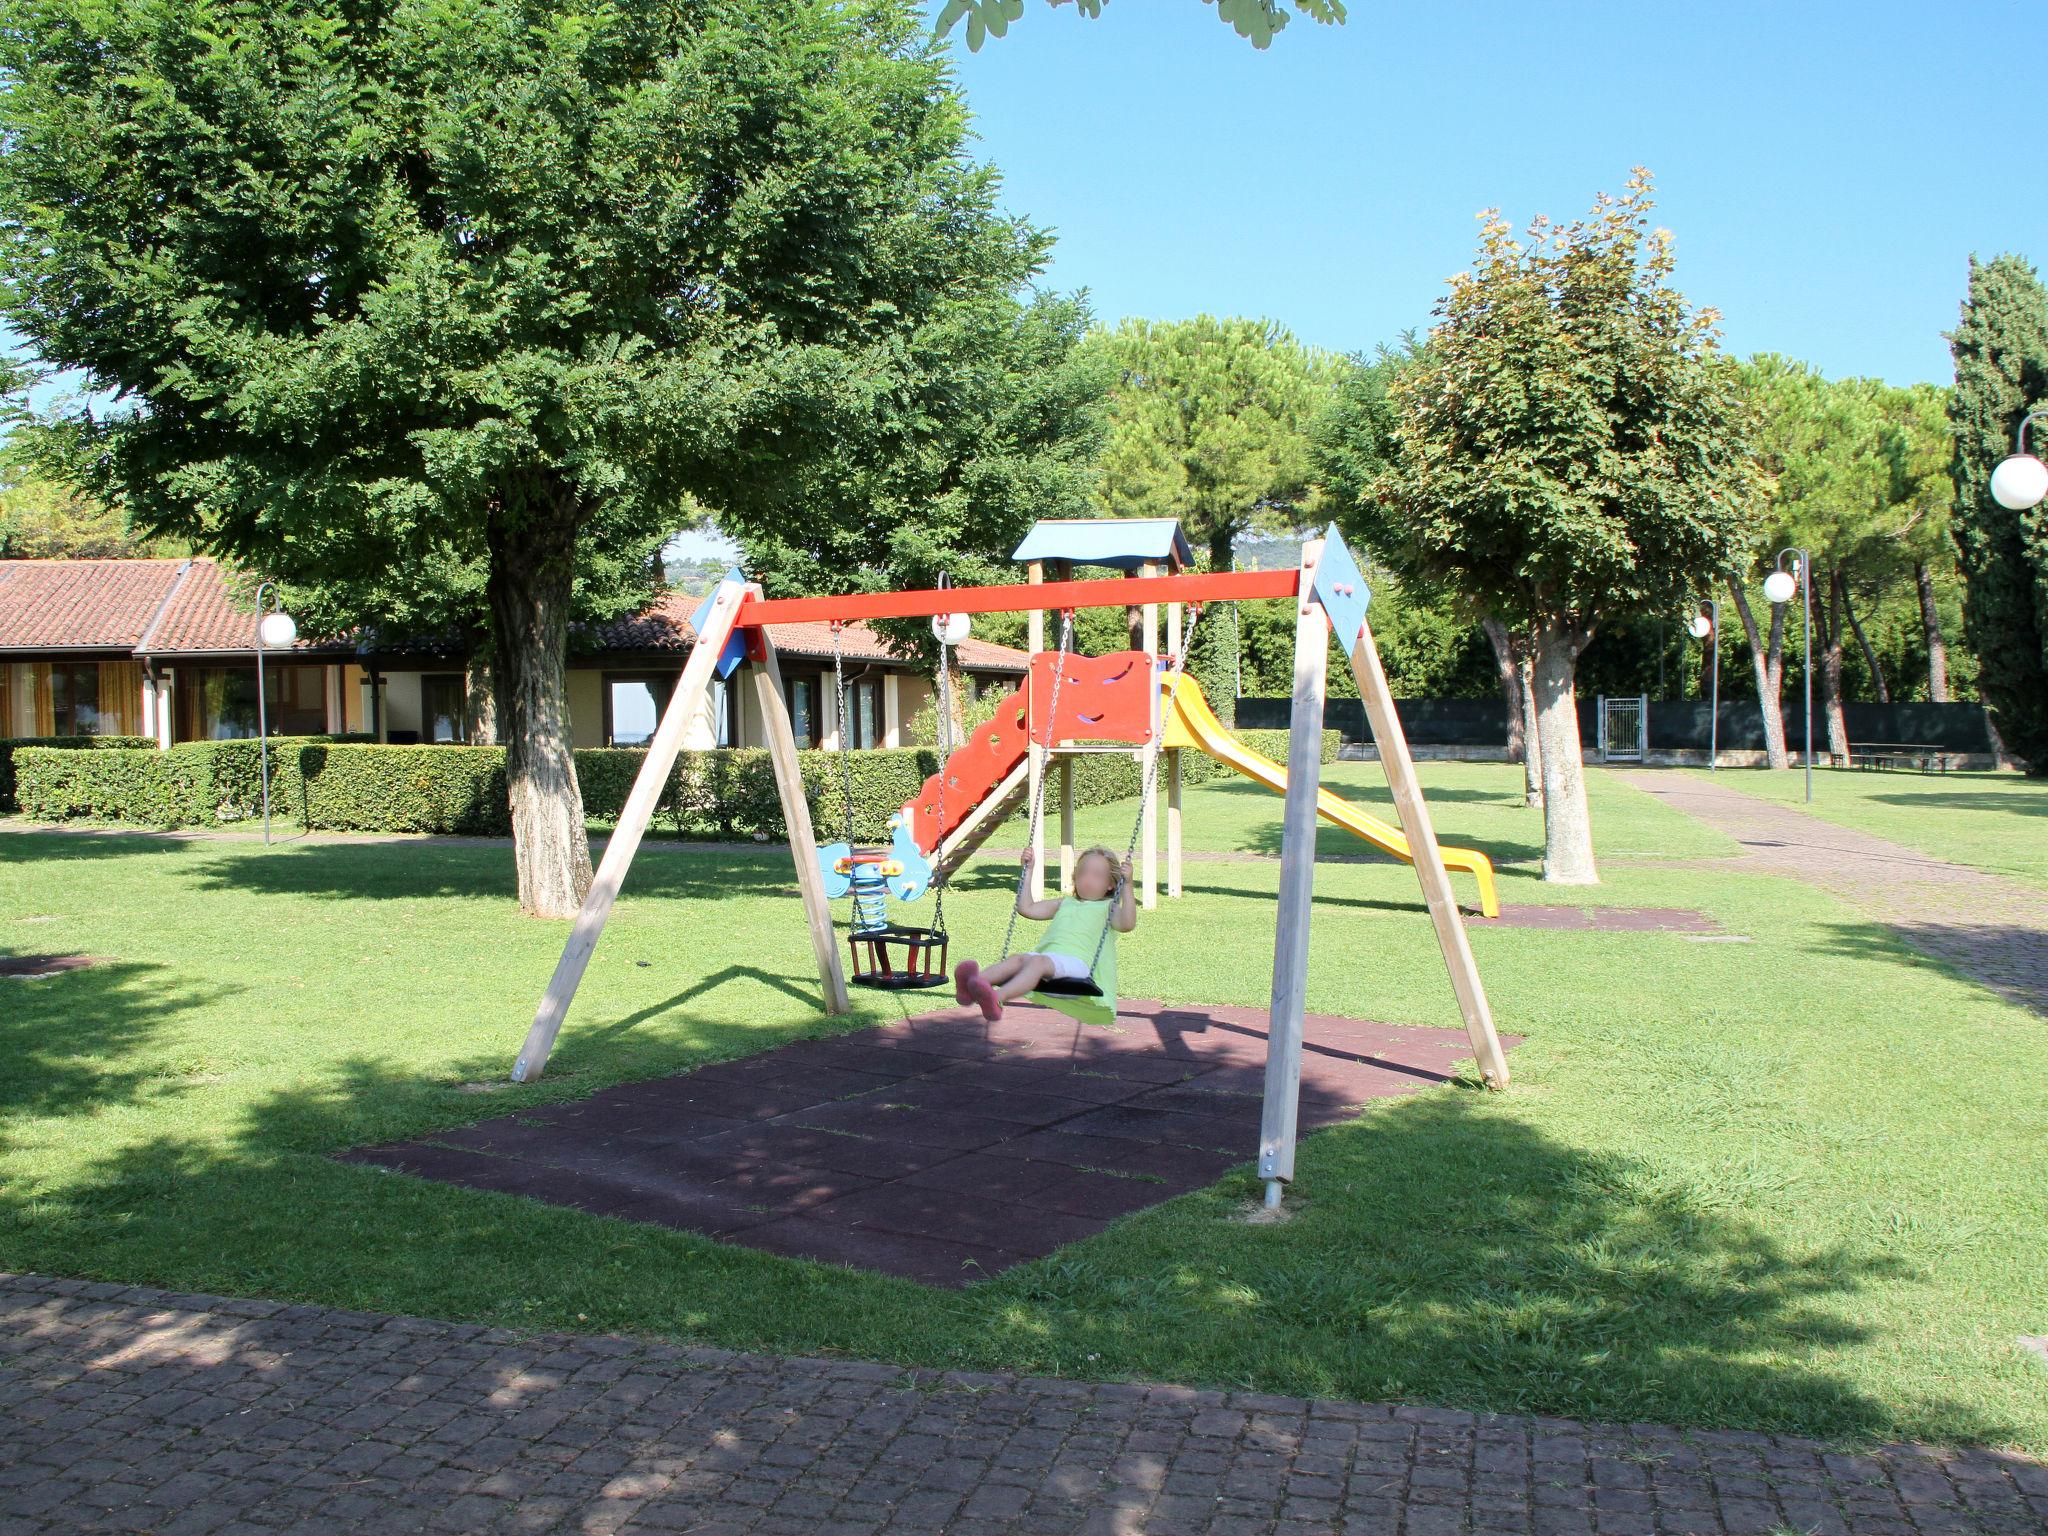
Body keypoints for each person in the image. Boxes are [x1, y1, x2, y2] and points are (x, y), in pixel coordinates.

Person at [953, 844, 1136, 1022]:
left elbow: (1127, 924)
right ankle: (972, 986)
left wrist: (1127, 885)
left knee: (1037, 961)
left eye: (1096, 875)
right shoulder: (1065, 903)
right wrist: (1028, 870)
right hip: (1050, 961)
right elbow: (1027, 908)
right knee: (1018, 959)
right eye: (1082, 873)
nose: (1087, 879)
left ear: (1111, 884)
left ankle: (996, 997)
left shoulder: (1108, 908)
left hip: (1079, 966)